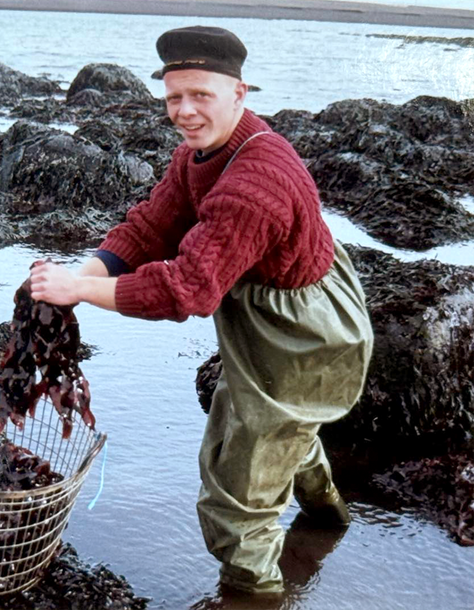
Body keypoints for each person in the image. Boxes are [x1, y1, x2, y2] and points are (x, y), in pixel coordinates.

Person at [29, 26, 374, 596]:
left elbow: (188, 290)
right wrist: (81, 275)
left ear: (239, 92)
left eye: (200, 96)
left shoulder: (255, 181)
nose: (184, 112)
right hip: (267, 305)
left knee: (235, 492)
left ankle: (253, 594)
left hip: (304, 333)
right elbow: (151, 225)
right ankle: (328, 521)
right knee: (282, 426)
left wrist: (80, 293)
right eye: (174, 97)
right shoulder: (202, 153)